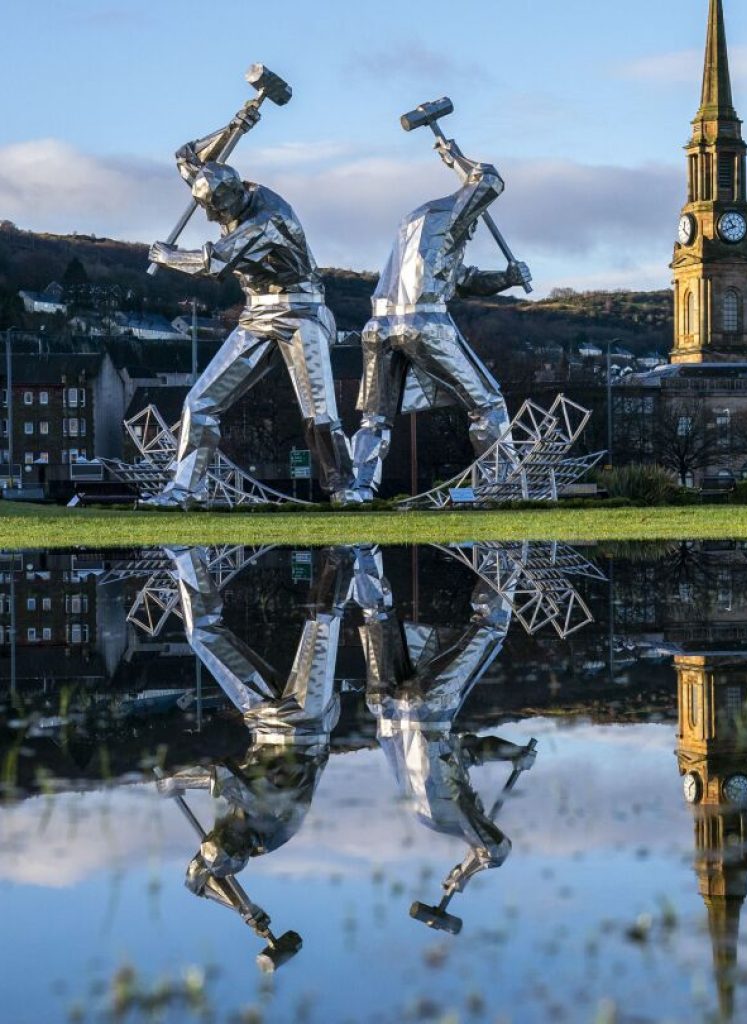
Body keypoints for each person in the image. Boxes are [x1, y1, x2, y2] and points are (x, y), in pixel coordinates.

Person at [146, 104, 350, 506]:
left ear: (231, 198)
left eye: (214, 211)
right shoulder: (225, 190)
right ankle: (186, 489)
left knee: (320, 413)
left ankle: (346, 489)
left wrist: (168, 257)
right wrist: (232, 126)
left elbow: (214, 261)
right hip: (256, 313)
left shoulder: (269, 221)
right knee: (200, 402)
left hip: (300, 312)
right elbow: (185, 156)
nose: (208, 217)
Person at [156, 546, 349, 956]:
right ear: (239, 843)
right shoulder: (269, 826)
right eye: (223, 834)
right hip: (306, 725)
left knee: (202, 635)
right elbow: (219, 773)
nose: (218, 827)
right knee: (322, 625)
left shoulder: (228, 837)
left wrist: (242, 909)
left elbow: (194, 880)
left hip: (262, 719)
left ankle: (184, 552)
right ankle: (348, 541)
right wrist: (174, 781)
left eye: (212, 835)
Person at [351, 546, 535, 918]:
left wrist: (465, 876)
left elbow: (497, 851)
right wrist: (511, 753)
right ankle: (355, 528)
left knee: (491, 627)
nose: (487, 816)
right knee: (376, 615)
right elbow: (468, 751)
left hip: (429, 709)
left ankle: (506, 545)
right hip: (385, 709)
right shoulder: (430, 813)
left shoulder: (453, 813)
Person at [349, 139, 531, 500]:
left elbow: (461, 279)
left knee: (375, 418)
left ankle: (358, 489)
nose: (473, 229)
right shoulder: (446, 216)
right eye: (473, 221)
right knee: (487, 403)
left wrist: (507, 279)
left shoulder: (414, 230)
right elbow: (489, 180)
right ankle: (504, 485)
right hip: (423, 323)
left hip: (378, 327)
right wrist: (456, 160)